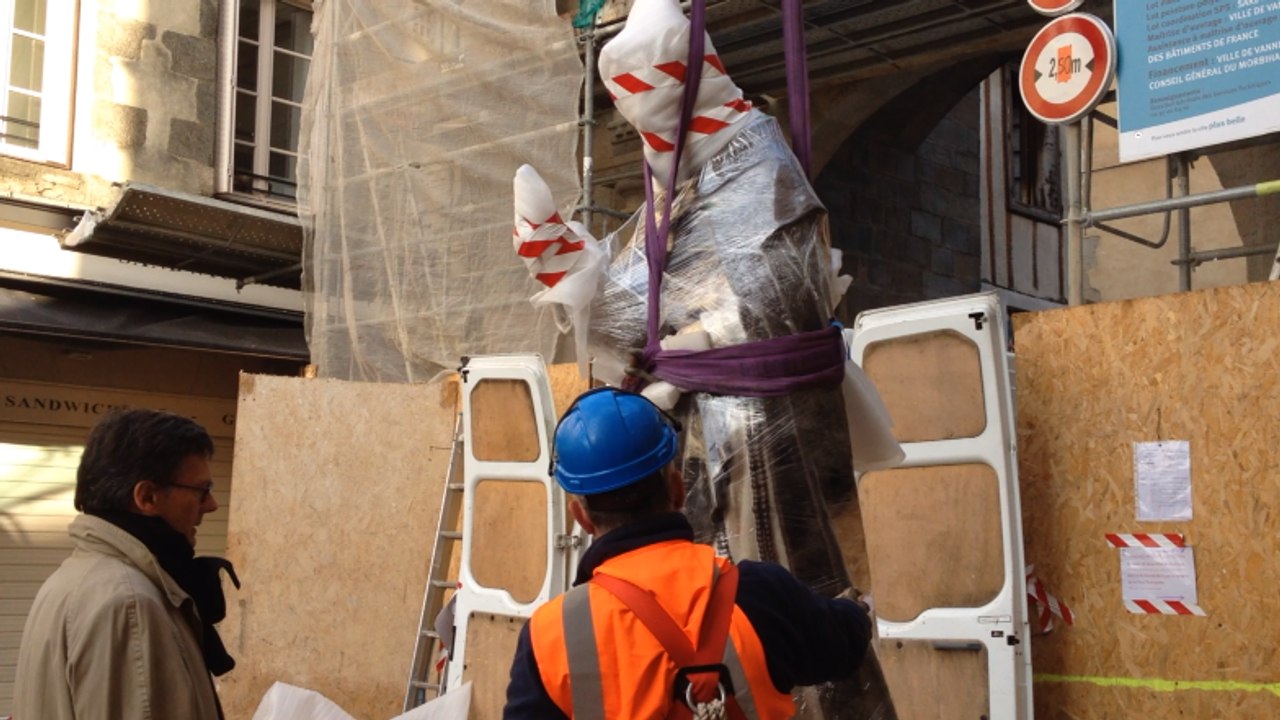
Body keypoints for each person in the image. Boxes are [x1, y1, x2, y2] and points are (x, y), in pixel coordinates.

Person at [504, 387, 872, 719]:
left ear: (582, 517)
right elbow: (847, 644)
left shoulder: (551, 635)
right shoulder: (761, 593)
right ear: (678, 488)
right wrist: (854, 610)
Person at [14, 408, 239, 720]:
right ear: (147, 497)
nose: (211, 505)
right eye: (202, 492)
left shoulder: (75, 579)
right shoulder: (128, 604)